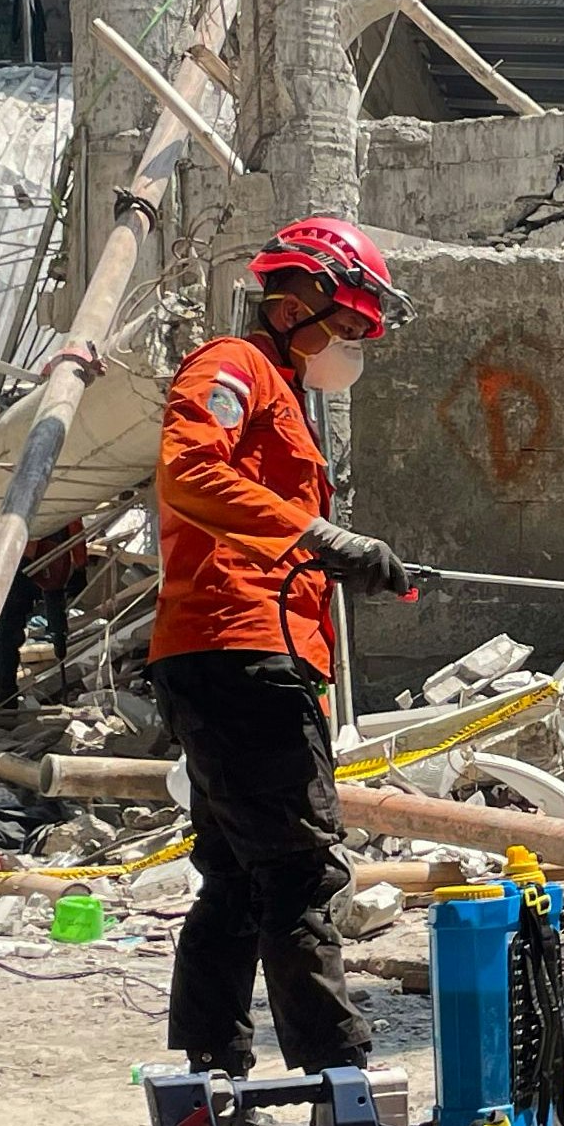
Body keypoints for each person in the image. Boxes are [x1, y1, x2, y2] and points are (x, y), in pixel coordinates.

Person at [150, 216, 415, 1081]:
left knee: (235, 872)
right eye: (345, 326)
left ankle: (209, 1074)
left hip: (246, 650)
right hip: (238, 649)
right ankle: (341, 1083)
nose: (350, 345)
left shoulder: (284, 395)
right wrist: (316, 534)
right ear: (296, 299)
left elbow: (281, 534)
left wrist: (342, 556)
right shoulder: (232, 367)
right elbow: (189, 475)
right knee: (301, 873)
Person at [0, 518, 87, 708]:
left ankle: (5, 697)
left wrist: (80, 565)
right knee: (5, 630)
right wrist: (80, 565)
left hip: (41, 558)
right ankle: (5, 697)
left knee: (5, 630)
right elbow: (74, 524)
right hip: (21, 558)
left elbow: (74, 523)